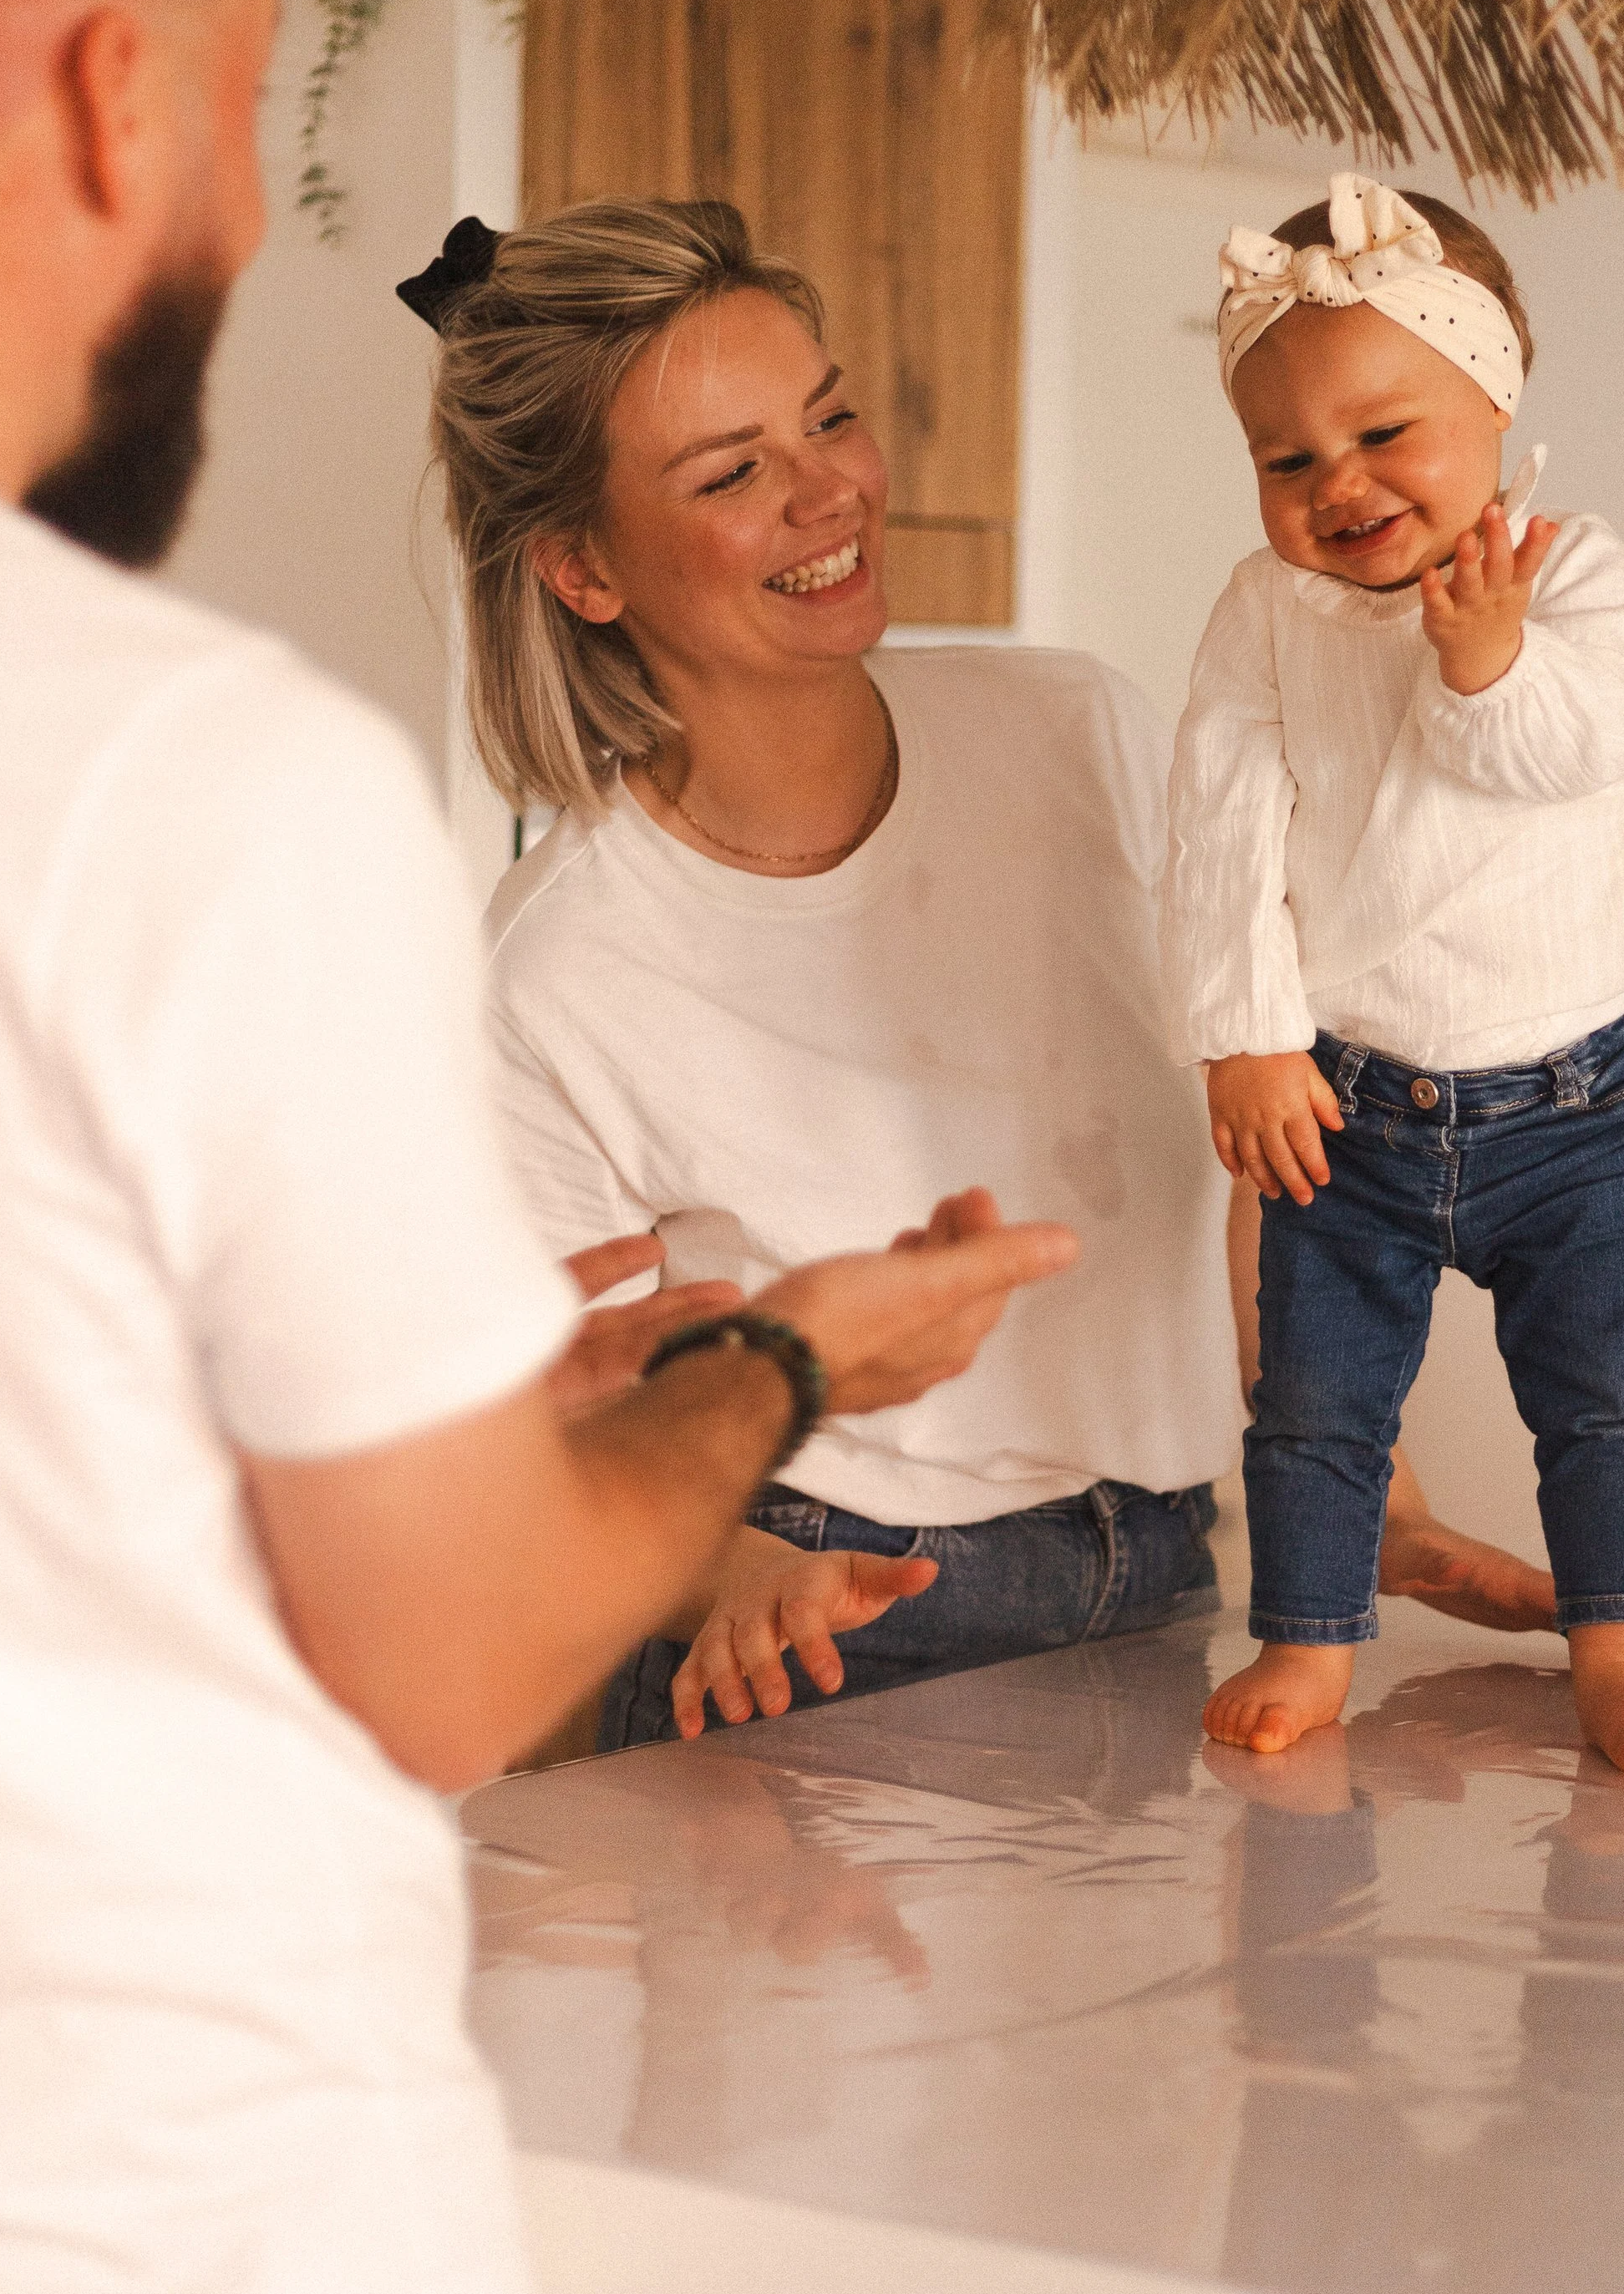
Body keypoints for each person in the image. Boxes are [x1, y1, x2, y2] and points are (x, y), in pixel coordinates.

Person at [0, 0, 1078, 2294]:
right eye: (248, 109)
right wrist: (772, 1371)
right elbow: (449, 1661)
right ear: (122, 96)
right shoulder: (193, 788)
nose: (240, 220)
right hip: (152, 2189)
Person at [419, 192, 1558, 1747]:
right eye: (734, 472)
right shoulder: (547, 975)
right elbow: (540, 1433)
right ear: (583, 570)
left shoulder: (1076, 733)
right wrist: (730, 1575)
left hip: (1166, 1576)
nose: (829, 492)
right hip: (819, 1640)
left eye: (828, 417)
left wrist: (1371, 1489)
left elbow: (1248, 1139)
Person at [1164, 175, 1624, 1779]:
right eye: (1289, 458)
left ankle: (1622, 1649)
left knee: (1607, 1395)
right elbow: (1219, 828)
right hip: (1349, 1099)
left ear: (1495, 395)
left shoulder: (1575, 572)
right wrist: (1244, 1038)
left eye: (1384, 434)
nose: (1339, 484)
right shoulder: (1267, 615)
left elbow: (1576, 745)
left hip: (1573, 1100)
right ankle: (1310, 1636)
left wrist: (1485, 655)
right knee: (1317, 1406)